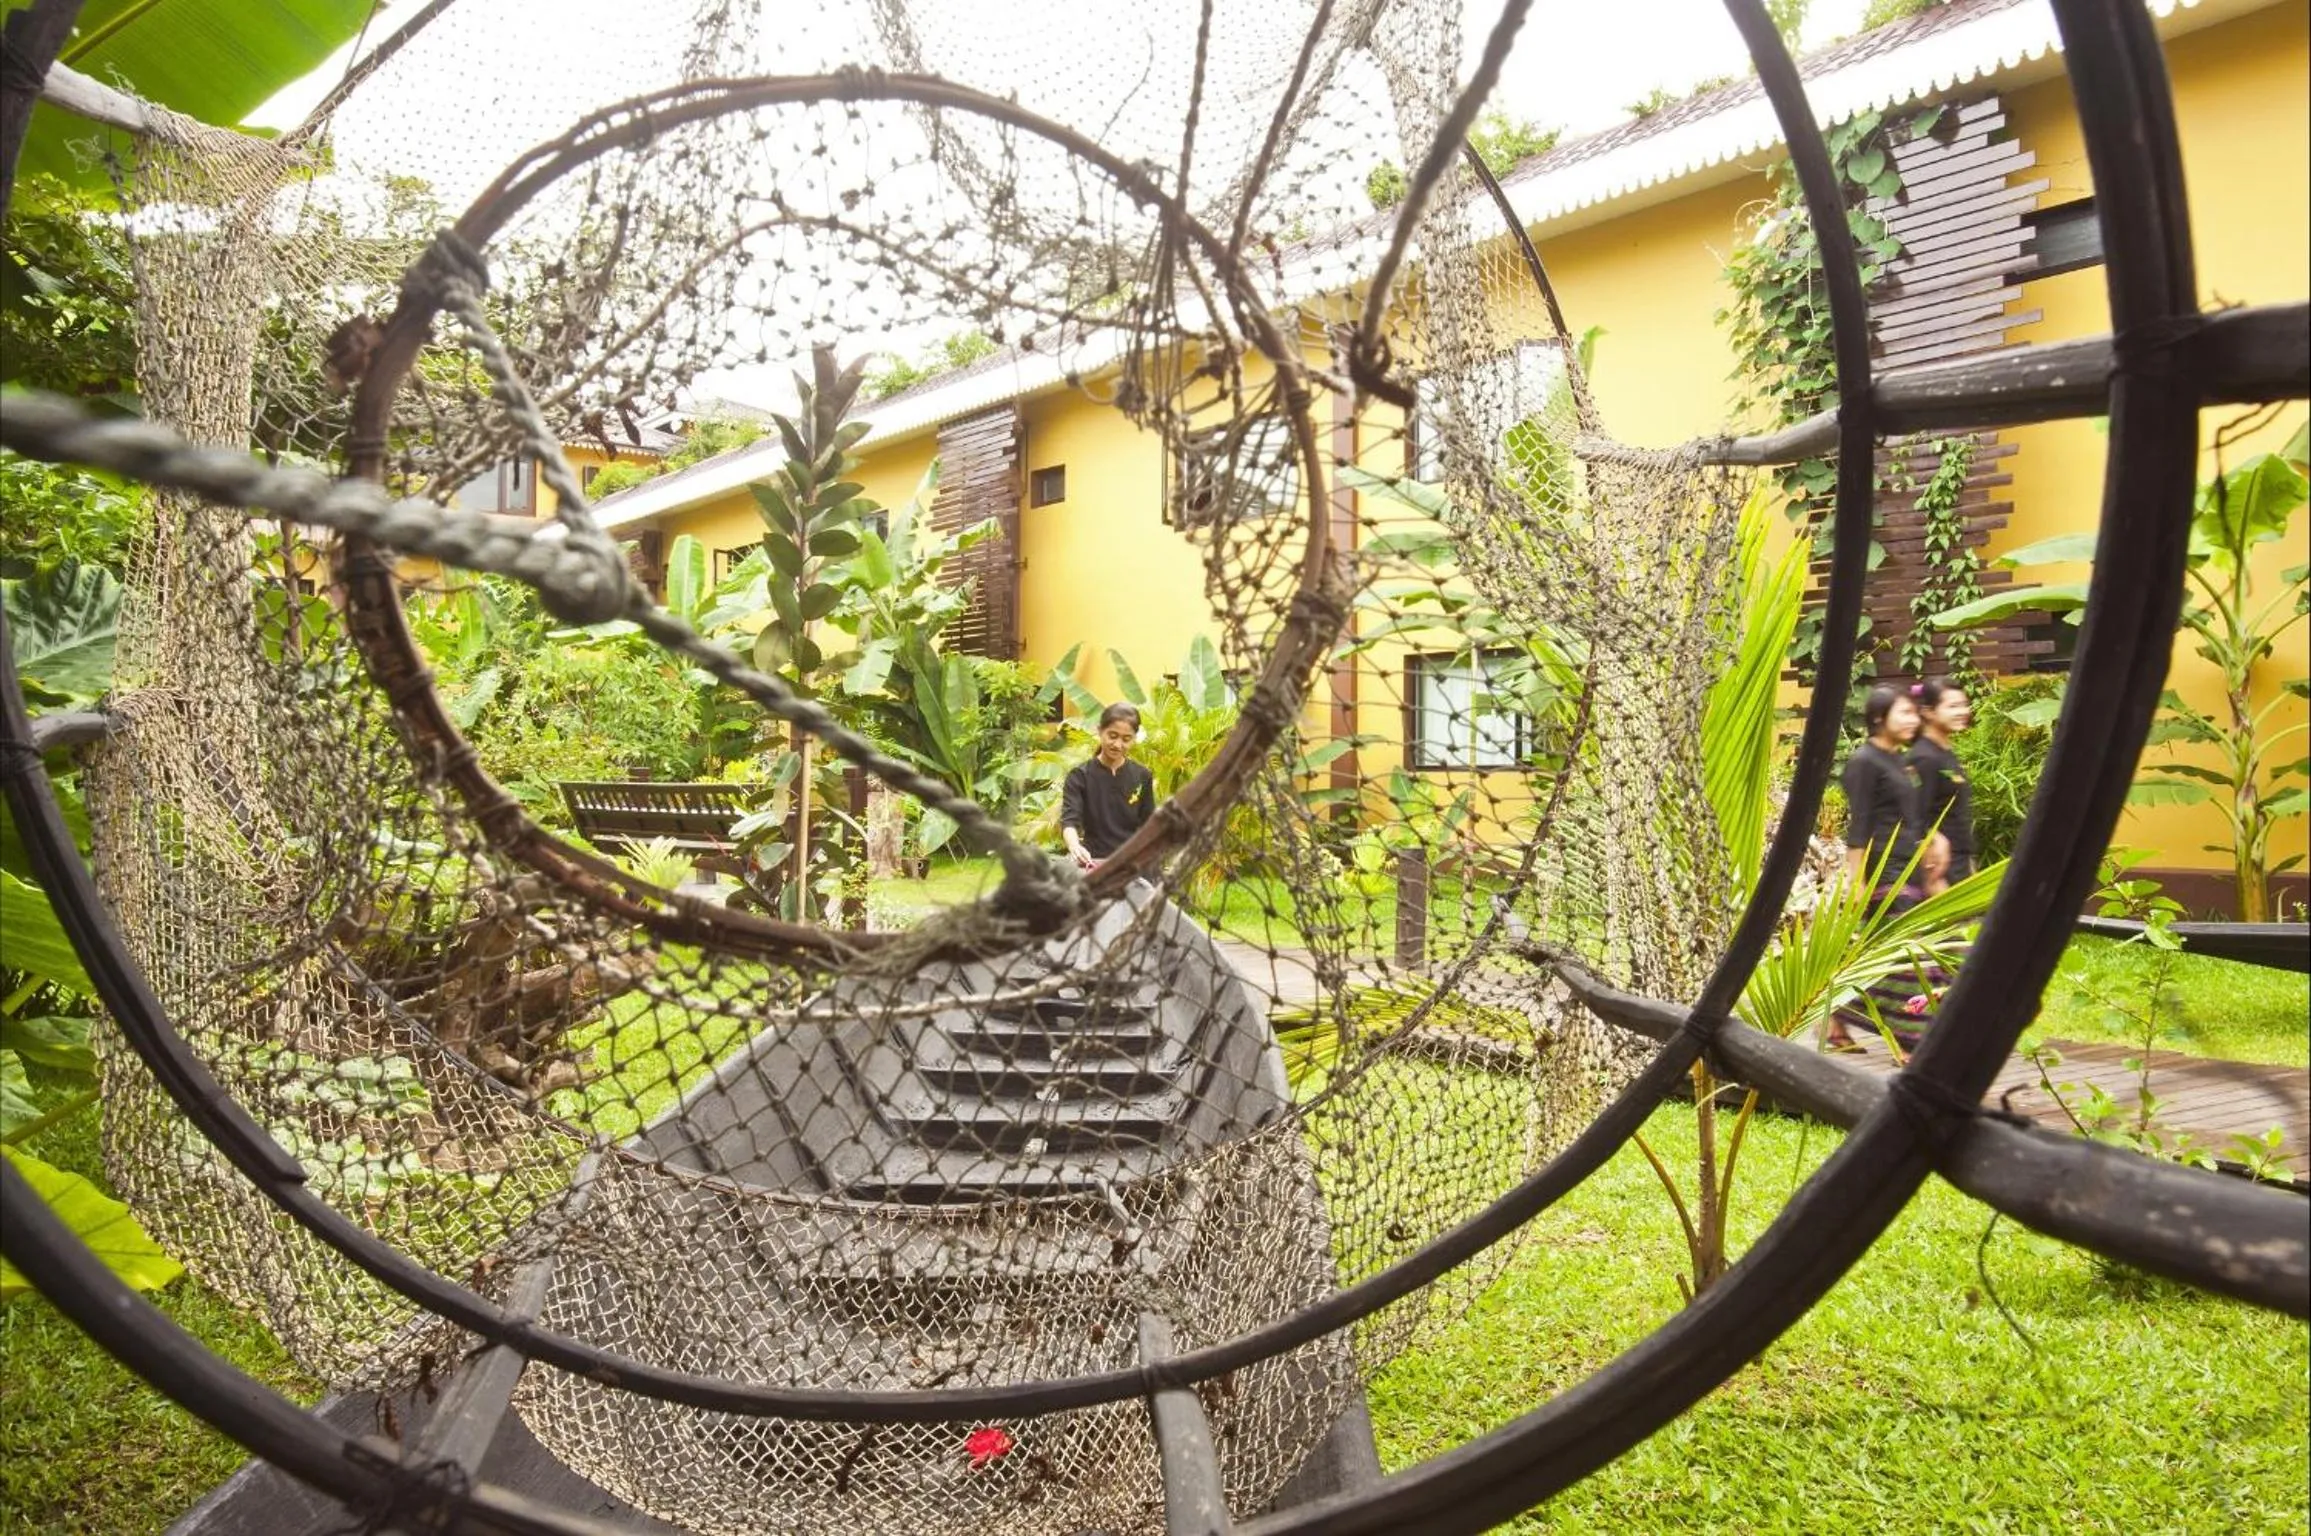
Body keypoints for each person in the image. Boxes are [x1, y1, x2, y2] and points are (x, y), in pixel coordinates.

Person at [1061, 703, 1156, 870]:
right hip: (1093, 862)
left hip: (1133, 863)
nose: (1118, 745)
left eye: (1126, 739)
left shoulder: (1142, 776)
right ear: (1100, 731)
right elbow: (1069, 821)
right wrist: (1075, 847)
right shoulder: (1079, 776)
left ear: (1134, 738)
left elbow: (1149, 823)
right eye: (1112, 736)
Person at [1907, 677, 1975, 894]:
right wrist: (1931, 879)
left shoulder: (1944, 752)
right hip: (1941, 866)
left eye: (1964, 705)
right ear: (1928, 712)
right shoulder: (1923, 758)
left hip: (1959, 862)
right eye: (1953, 706)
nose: (1963, 711)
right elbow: (1914, 817)